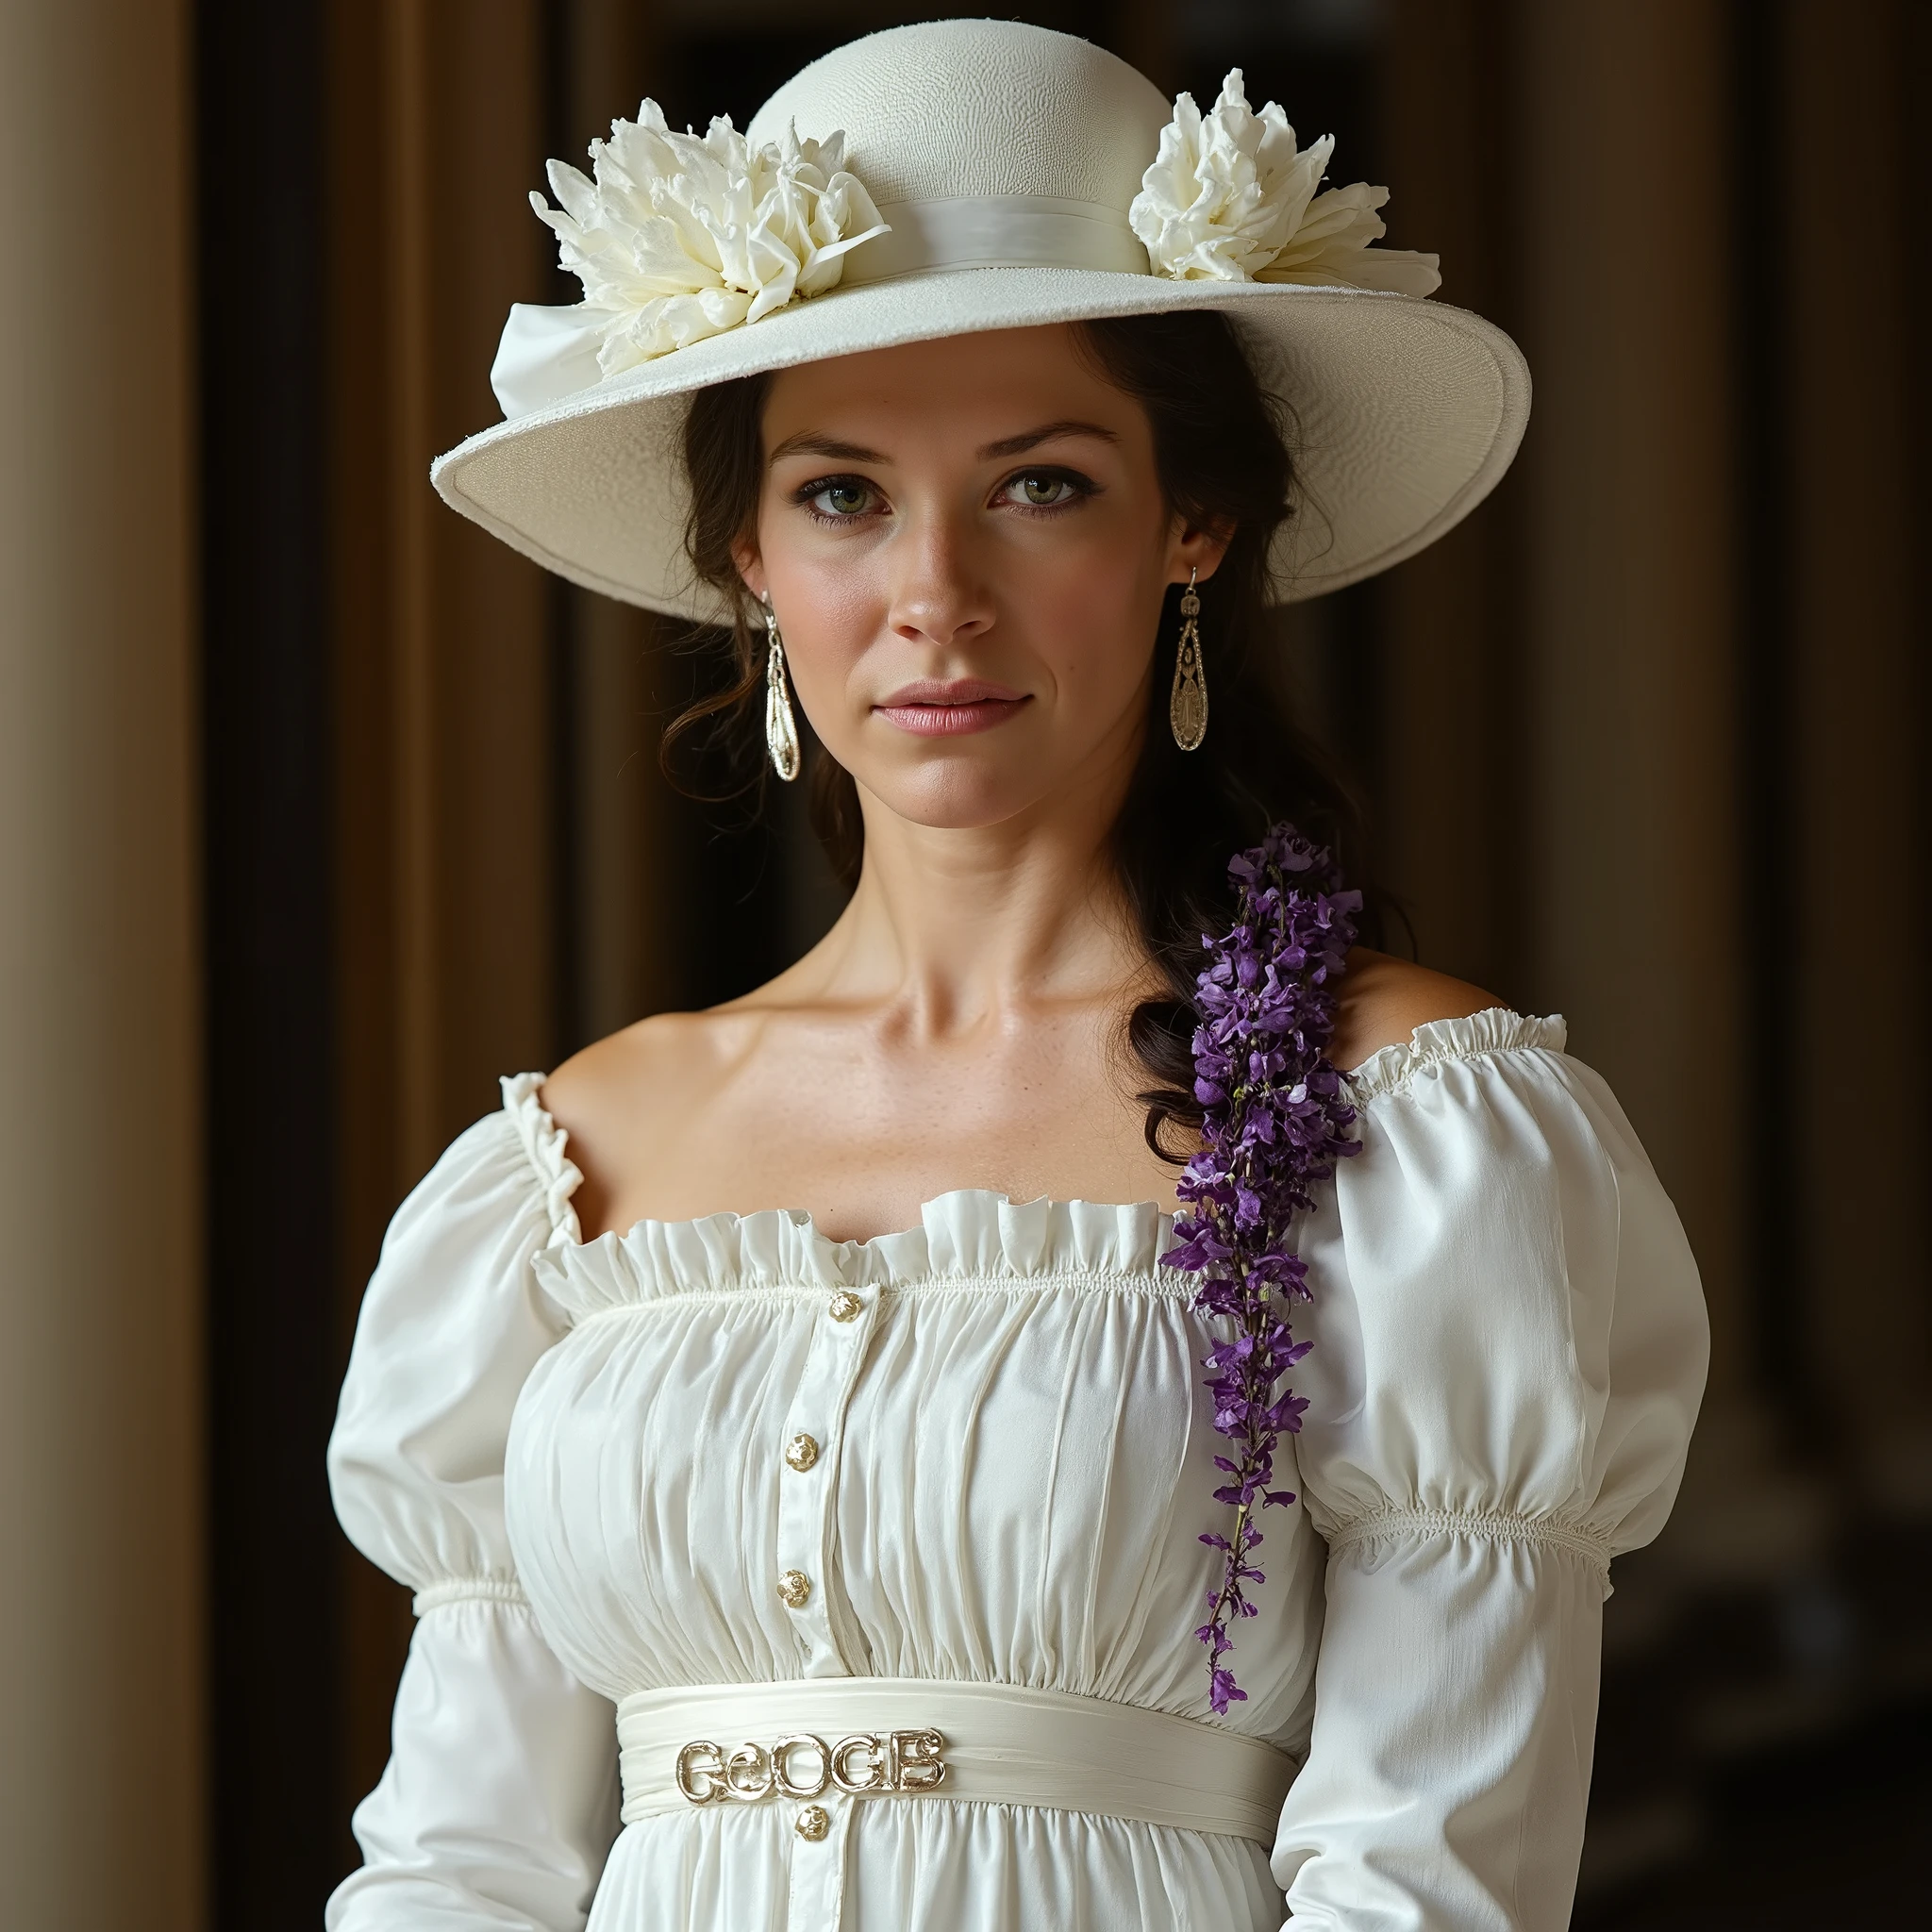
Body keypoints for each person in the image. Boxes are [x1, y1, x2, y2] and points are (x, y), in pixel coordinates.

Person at [326, 21, 1707, 1931]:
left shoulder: (1418, 1125)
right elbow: (457, 1863)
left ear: (1191, 524)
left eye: (1042, 484)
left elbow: (1425, 1878)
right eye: (840, 494)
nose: (934, 595)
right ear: (746, 557)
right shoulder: (564, 1165)